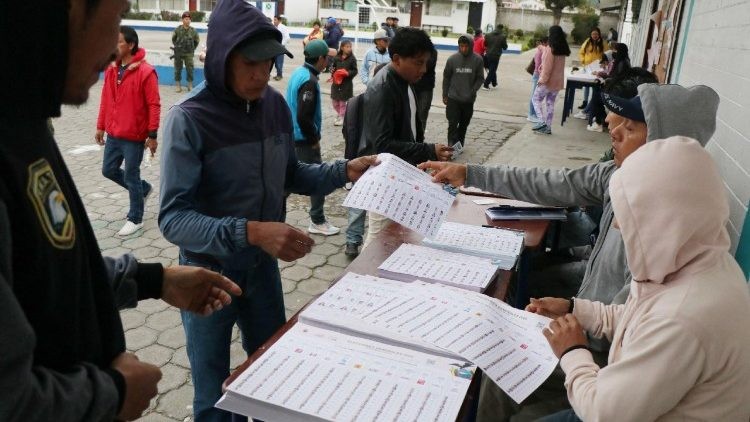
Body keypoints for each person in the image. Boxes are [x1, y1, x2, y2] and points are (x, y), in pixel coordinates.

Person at [419, 77, 722, 421]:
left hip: (606, 364)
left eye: (631, 128)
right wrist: (471, 173)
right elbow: (554, 183)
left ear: (667, 145)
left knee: (509, 382)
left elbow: (620, 378)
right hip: (591, 336)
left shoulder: (669, 235)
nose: (614, 132)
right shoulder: (618, 176)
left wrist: (574, 344)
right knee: (497, 369)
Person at [0, 0, 245, 420]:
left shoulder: (25, 120)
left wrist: (152, 279)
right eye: (115, 18)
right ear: (73, 10)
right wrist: (111, 394)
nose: (116, 49)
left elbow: (46, 269)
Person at [157, 1, 377, 420]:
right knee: (214, 394)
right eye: (249, 63)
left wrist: (344, 171)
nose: (261, 74)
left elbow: (291, 173)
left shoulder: (274, 106)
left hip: (260, 272)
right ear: (222, 57)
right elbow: (173, 218)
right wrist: (253, 231)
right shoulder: (188, 119)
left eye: (269, 63)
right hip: (207, 277)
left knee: (270, 375)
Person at [534, 138, 750, 422]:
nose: (617, 224)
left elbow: (604, 413)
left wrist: (573, 350)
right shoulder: (700, 258)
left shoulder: (684, 318)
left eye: (631, 215)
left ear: (665, 220)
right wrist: (575, 309)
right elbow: (639, 318)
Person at [360, 27, 453, 249]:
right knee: (378, 240)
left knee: (395, 236)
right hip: (386, 180)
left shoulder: (403, 81)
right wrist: (428, 150)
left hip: (401, 175)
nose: (424, 69)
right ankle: (362, 279)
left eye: (426, 63)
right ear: (397, 59)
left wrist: (424, 157)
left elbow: (410, 127)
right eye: (418, 62)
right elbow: (382, 145)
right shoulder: (382, 88)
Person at [96, 25, 160, 237]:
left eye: (119, 42)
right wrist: (100, 126)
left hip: (134, 136)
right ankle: (142, 189)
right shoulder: (111, 69)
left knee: (131, 176)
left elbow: (154, 104)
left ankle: (136, 218)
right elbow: (106, 99)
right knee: (108, 169)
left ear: (131, 45)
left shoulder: (146, 72)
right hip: (114, 133)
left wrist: (152, 135)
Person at [287, 40, 341, 236]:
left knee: (287, 177)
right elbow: (303, 116)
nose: (328, 61)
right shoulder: (309, 80)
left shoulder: (298, 73)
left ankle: (271, 215)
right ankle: (317, 220)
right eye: (327, 57)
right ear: (320, 58)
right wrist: (314, 139)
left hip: (292, 136)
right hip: (303, 140)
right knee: (318, 178)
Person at [442, 34, 485, 147]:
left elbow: (480, 78)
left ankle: (459, 145)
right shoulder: (452, 59)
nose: (464, 49)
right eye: (461, 46)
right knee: (452, 124)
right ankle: (451, 146)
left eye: (466, 46)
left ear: (471, 46)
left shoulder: (478, 60)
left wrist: (473, 90)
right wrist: (445, 94)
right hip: (453, 98)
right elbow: (446, 77)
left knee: (463, 125)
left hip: (468, 100)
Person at [531, 25, 570, 135]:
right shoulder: (562, 49)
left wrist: (542, 80)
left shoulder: (550, 49)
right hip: (557, 82)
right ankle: (547, 127)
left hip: (547, 81)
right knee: (550, 103)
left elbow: (548, 67)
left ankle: (542, 122)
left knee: (535, 99)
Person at [577, 27, 607, 109]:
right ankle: (585, 102)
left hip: (597, 68)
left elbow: (607, 55)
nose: (595, 35)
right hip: (587, 67)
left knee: (595, 86)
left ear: (599, 35)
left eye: (596, 34)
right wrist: (583, 60)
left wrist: (603, 63)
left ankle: (592, 103)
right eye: (593, 34)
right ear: (590, 34)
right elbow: (581, 53)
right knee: (586, 86)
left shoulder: (603, 43)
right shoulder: (587, 42)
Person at [331, 39, 358, 126]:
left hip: (346, 84)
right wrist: (332, 71)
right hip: (336, 84)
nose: (349, 48)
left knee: (343, 103)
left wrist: (348, 73)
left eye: (350, 47)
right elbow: (333, 68)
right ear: (342, 48)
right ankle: (341, 114)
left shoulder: (352, 59)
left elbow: (355, 70)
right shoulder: (336, 58)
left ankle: (342, 118)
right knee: (335, 102)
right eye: (347, 47)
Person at [172, 11, 200, 93]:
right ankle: (178, 85)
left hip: (189, 53)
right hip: (179, 52)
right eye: (186, 19)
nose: (188, 20)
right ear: (182, 20)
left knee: (190, 69)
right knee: (177, 69)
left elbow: (197, 41)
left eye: (189, 19)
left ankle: (190, 85)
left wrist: (192, 49)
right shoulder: (177, 30)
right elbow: (173, 39)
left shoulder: (193, 31)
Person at [413, 47, 438, 131]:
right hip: (413, 86)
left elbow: (427, 66)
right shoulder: (413, 50)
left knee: (422, 114)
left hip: (426, 88)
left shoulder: (432, 52)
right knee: (410, 113)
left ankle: (420, 137)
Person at [528, 36, 548, 122]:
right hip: (538, 75)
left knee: (536, 96)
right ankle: (531, 114)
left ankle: (534, 114)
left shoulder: (542, 51)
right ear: (544, 43)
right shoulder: (541, 52)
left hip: (538, 75)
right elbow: (538, 66)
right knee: (534, 96)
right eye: (548, 43)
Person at [482, 25, 508, 90]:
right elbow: (505, 47)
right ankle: (485, 85)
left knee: (492, 69)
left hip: (487, 55)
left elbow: (485, 44)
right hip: (496, 56)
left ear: (496, 28)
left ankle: (494, 83)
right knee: (492, 70)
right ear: (502, 28)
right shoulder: (503, 36)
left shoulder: (488, 35)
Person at [271, 15, 290, 81]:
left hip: (280, 47)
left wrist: (280, 44)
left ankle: (280, 75)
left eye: (275, 20)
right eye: (274, 20)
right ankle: (278, 74)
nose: (274, 21)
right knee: (275, 62)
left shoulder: (283, 27)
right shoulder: (273, 27)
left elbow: (287, 38)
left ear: (279, 20)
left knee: (279, 62)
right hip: (274, 47)